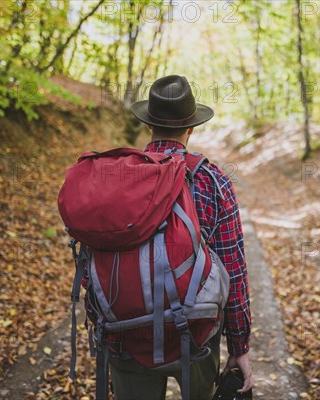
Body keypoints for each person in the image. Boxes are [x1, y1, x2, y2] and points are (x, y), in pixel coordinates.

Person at [107, 75, 253, 399]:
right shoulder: (213, 181)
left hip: (127, 334)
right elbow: (234, 268)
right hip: (196, 333)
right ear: (191, 129)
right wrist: (239, 346)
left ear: (148, 126)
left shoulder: (117, 178)